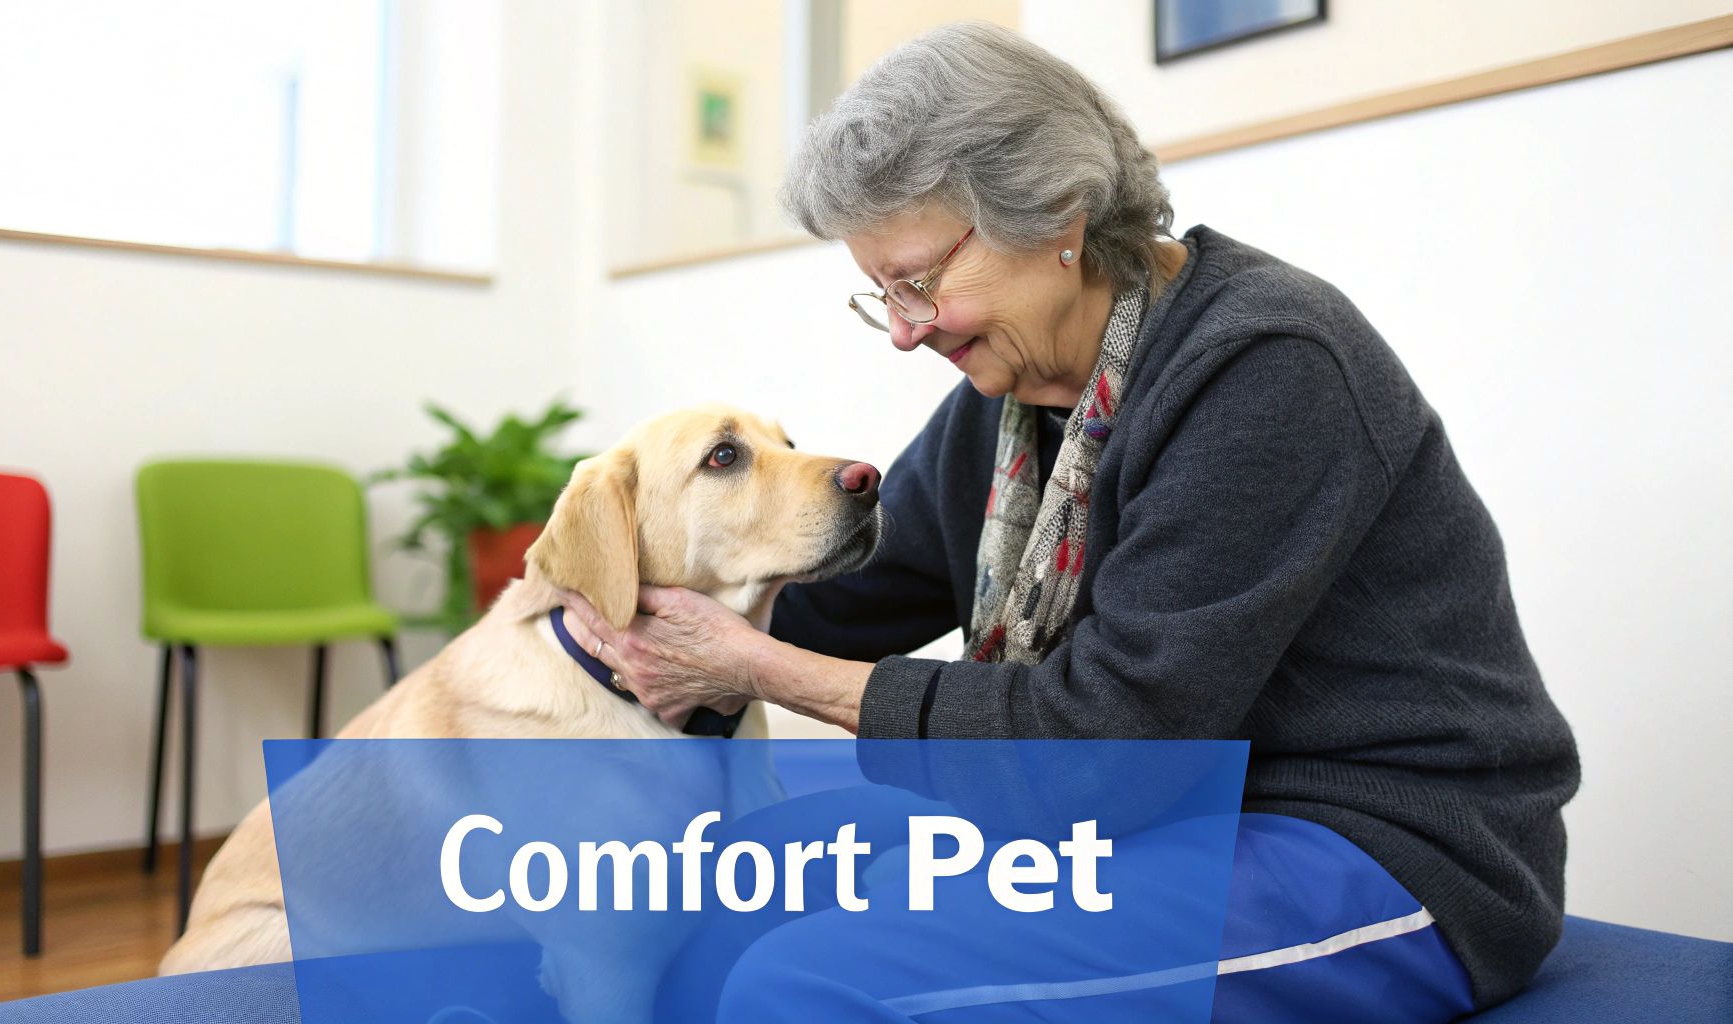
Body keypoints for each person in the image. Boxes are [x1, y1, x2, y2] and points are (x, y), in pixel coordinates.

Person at [560, 21, 1579, 1021]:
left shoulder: (1265, 365)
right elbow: (842, 596)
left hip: (1379, 846)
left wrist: (755, 667)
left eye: (916, 282)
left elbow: (1104, 748)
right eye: (880, 296)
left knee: (811, 982)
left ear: (1055, 213)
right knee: (722, 890)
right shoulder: (1012, 405)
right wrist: (615, 606)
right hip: (1164, 813)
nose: (905, 333)